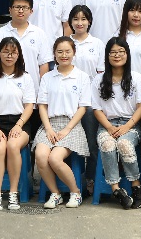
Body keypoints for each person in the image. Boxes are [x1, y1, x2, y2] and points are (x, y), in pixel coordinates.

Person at [0, 36, 37, 211]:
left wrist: (19, 125)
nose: (9, 56)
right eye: (5, 52)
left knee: (12, 145)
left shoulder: (26, 78)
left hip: (20, 122)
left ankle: (13, 193)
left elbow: (29, 106)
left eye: (13, 52)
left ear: (19, 55)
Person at [34, 38, 91, 209]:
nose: (64, 55)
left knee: (55, 158)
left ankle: (75, 192)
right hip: (49, 124)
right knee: (40, 156)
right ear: (54, 54)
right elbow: (42, 106)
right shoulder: (47, 77)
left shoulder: (81, 77)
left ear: (74, 53)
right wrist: (48, 129)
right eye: (60, 52)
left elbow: (83, 107)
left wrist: (67, 129)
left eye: (67, 51)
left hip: (72, 126)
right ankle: (55, 193)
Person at [92, 37, 141, 209]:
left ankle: (136, 185)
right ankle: (116, 189)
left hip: (130, 124)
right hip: (106, 124)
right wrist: (109, 127)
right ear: (107, 56)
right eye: (113, 52)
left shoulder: (136, 78)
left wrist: (127, 126)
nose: (117, 55)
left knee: (124, 144)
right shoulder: (99, 80)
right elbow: (96, 109)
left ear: (127, 54)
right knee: (107, 145)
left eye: (121, 52)